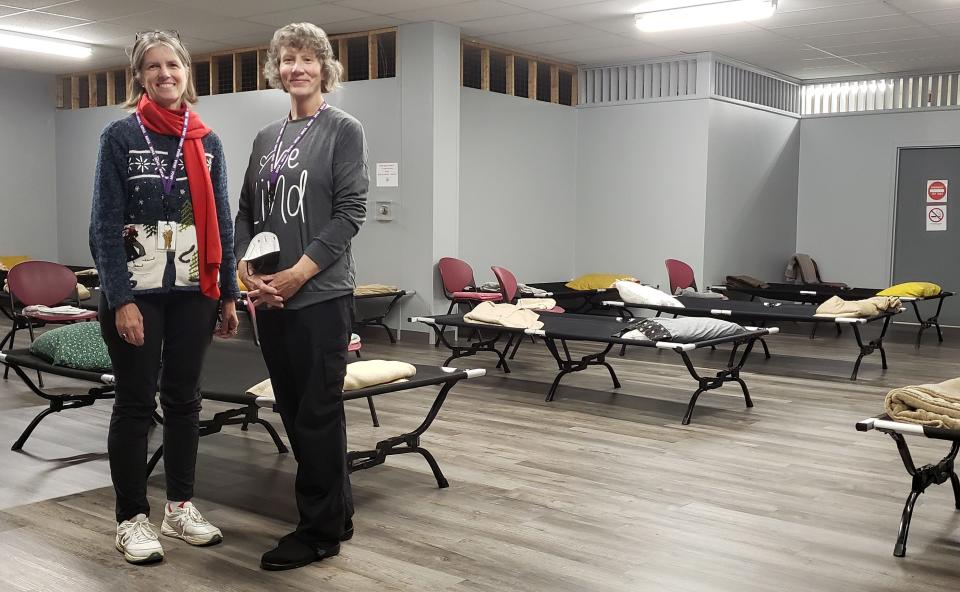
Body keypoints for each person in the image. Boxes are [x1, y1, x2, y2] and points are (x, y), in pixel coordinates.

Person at [89, 30, 240, 565]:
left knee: (183, 401)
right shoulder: (119, 136)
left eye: (171, 64)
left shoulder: (209, 141)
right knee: (134, 403)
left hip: (193, 289)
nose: (163, 74)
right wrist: (119, 297)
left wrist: (228, 294)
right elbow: (105, 224)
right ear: (140, 77)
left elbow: (220, 219)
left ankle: (179, 507)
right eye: (152, 67)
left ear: (186, 73)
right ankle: (131, 518)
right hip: (138, 292)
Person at [234, 22, 368, 571]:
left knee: (316, 412)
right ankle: (337, 512)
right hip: (269, 301)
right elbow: (245, 210)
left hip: (320, 296)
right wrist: (245, 269)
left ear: (324, 67)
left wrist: (298, 274)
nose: (297, 68)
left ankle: (317, 534)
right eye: (288, 59)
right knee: (294, 410)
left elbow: (349, 214)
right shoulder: (267, 138)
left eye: (307, 59)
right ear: (277, 69)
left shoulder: (343, 129)